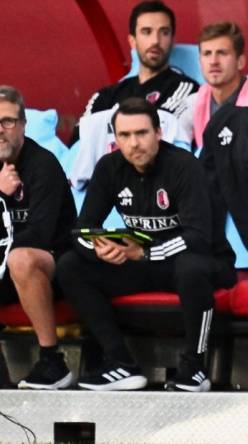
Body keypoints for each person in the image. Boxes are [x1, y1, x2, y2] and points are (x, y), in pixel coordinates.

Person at [56, 98, 236, 392]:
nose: (134, 144)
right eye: (125, 136)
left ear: (158, 133)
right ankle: (120, 363)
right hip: (143, 264)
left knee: (191, 269)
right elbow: (80, 231)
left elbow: (199, 237)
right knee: (70, 266)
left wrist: (145, 252)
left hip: (201, 261)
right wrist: (100, 248)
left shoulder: (184, 166)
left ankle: (195, 367)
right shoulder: (109, 167)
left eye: (141, 133)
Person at [69, 0, 199, 189]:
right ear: (132, 41)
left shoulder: (186, 88)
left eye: (164, 32)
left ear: (173, 40)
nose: (155, 41)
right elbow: (78, 141)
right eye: (147, 32)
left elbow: (166, 133)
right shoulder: (106, 94)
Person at [0, 86, 77, 390]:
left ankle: (52, 362)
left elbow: (40, 235)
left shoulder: (42, 165)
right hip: (6, 269)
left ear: (22, 124)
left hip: (53, 268)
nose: (0, 130)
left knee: (22, 258)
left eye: (7, 121)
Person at [176, 21, 248, 151]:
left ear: (240, 62)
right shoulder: (193, 102)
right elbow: (176, 150)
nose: (214, 61)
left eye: (222, 53)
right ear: (200, 62)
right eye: (207, 53)